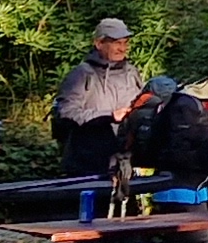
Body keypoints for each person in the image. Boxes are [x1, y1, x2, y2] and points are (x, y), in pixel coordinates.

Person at [51, 16, 146, 178]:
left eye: (124, 43)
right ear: (99, 43)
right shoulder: (82, 74)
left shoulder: (131, 73)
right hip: (86, 165)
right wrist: (108, 117)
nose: (122, 48)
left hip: (124, 164)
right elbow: (65, 112)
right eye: (116, 43)